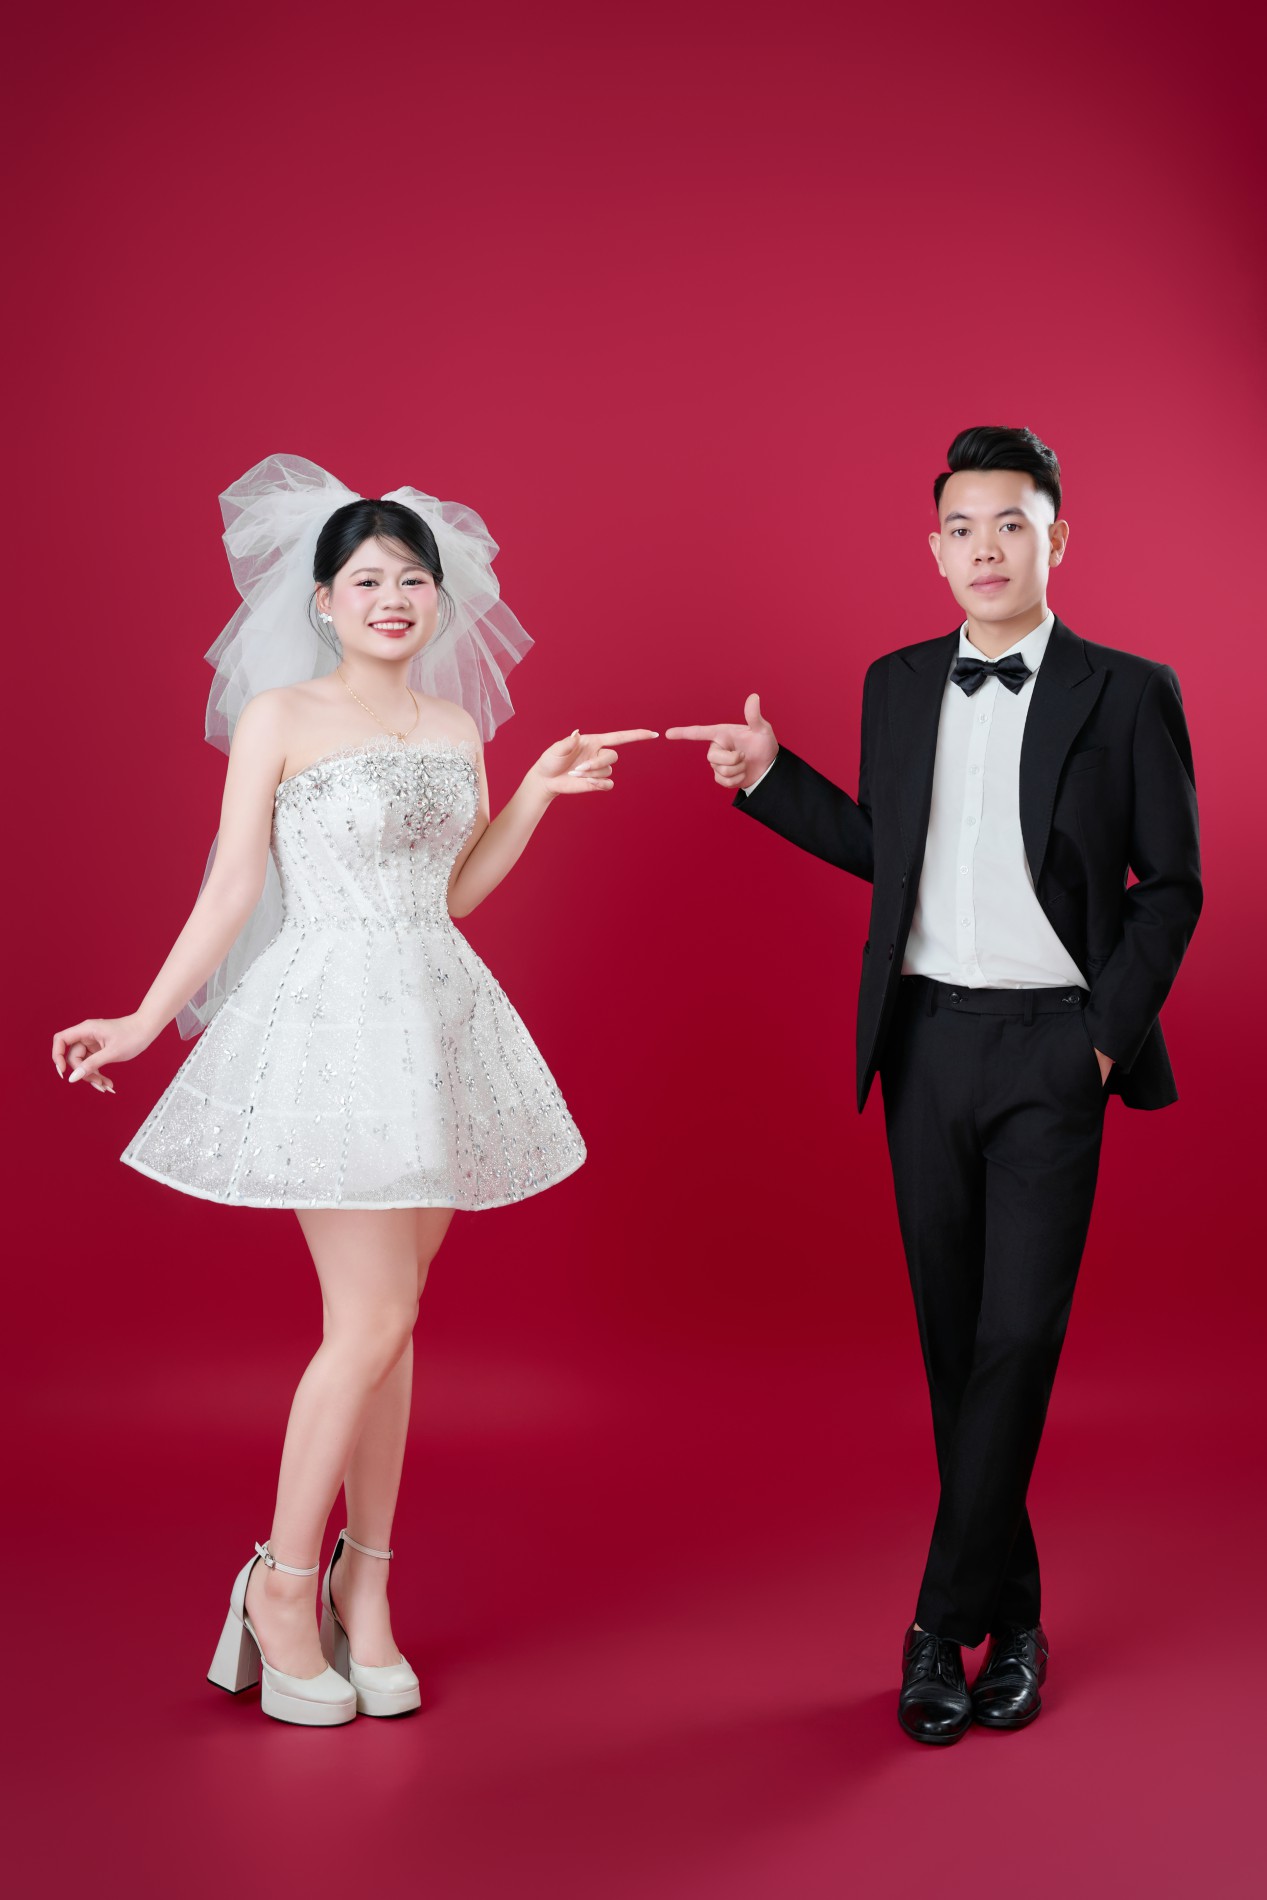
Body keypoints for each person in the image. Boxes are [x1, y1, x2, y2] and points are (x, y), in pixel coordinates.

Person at [51, 453, 656, 1728]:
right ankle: (280, 1586)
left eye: (413, 581)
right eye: (368, 581)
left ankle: (363, 1587)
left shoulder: (454, 728)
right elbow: (234, 887)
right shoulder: (281, 716)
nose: (394, 599)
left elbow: (452, 893)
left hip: (433, 1019)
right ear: (322, 601)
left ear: (441, 600)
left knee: (397, 1322)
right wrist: (144, 1019)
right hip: (330, 1023)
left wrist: (534, 795)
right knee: (371, 1318)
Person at [667, 425, 1202, 1744]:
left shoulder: (1127, 691)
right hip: (923, 1044)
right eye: (962, 528)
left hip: (1052, 1048)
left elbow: (1172, 885)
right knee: (953, 1348)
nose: (985, 549)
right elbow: (885, 850)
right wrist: (770, 780)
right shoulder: (896, 683)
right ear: (934, 549)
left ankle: (930, 1626)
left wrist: (1098, 1040)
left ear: (1055, 538)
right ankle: (1011, 1625)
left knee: (1018, 1339)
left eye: (1010, 524)